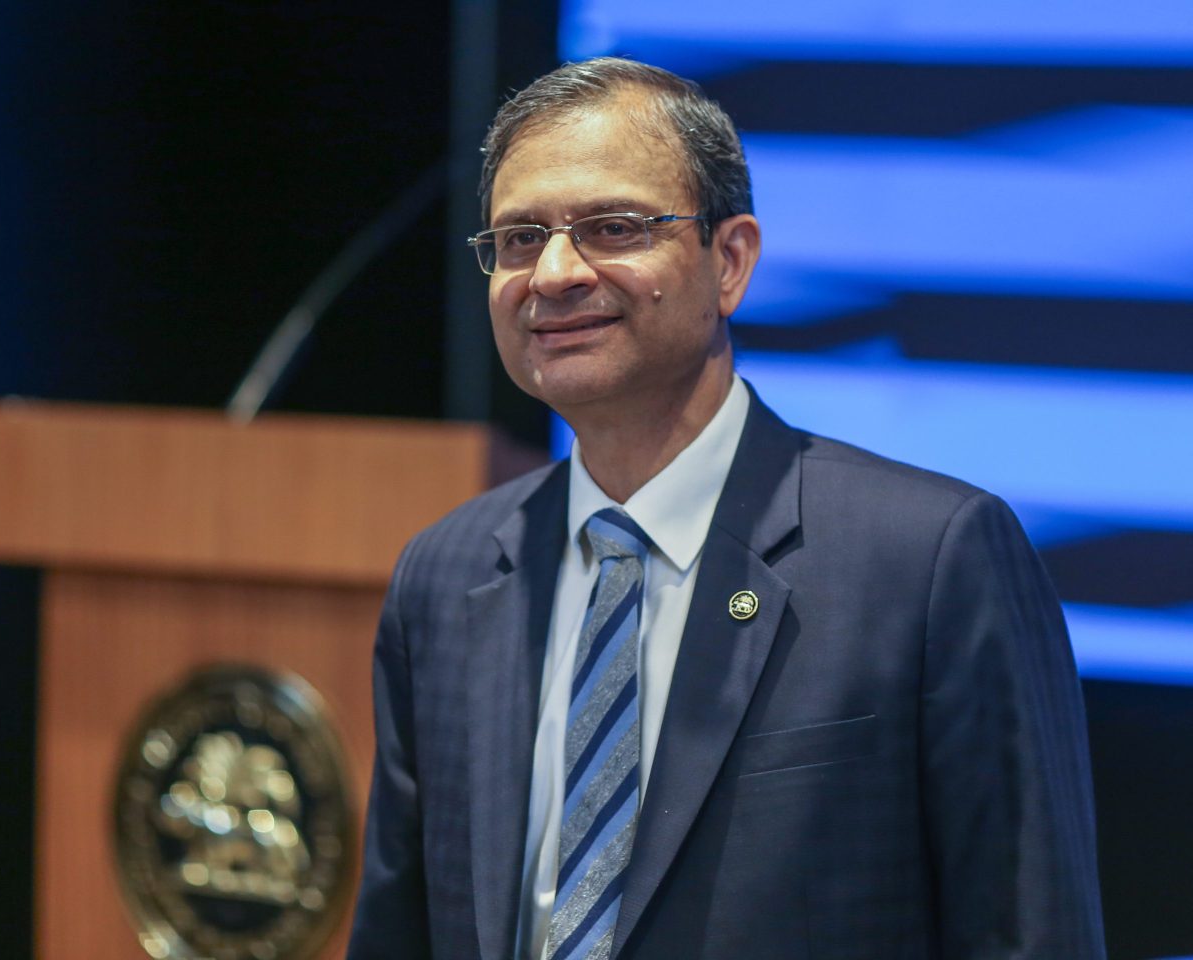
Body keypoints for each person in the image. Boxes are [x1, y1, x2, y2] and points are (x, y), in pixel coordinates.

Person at [346, 57, 1105, 960]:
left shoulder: (931, 561)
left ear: (731, 261)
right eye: (517, 239)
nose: (552, 272)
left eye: (612, 227)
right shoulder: (448, 574)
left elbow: (1029, 934)